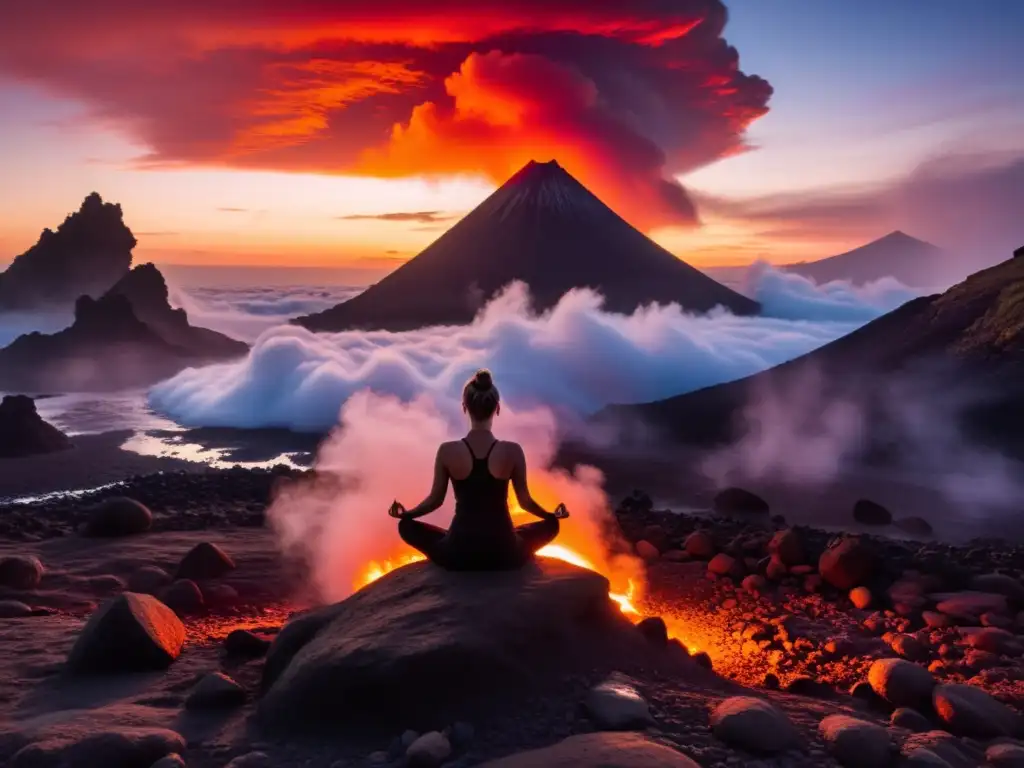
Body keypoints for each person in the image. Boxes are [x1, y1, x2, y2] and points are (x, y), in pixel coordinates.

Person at [389, 369, 569, 571]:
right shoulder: (513, 451)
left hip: (458, 552)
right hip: (504, 551)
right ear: (497, 408)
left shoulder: (447, 451)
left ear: (465, 407)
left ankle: (448, 537)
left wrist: (407, 514)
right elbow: (525, 502)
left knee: (406, 527)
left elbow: (435, 501)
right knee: (550, 526)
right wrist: (551, 515)